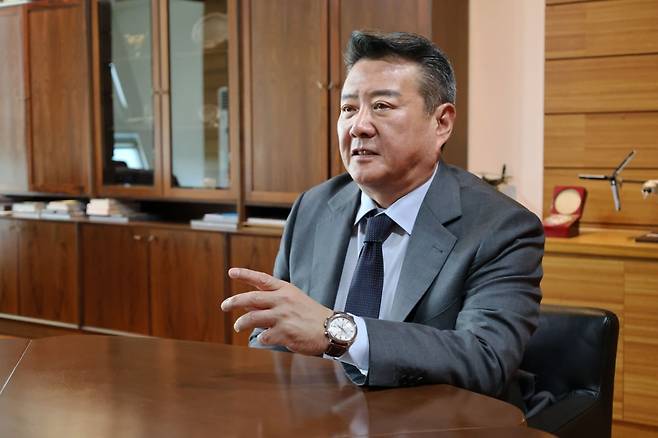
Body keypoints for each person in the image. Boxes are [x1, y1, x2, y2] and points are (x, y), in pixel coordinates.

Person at [221, 31, 543, 401]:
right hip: (318, 415)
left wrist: (338, 331)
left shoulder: (500, 226)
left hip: (436, 420)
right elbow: (273, 341)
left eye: (382, 106)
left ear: (441, 123)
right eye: (348, 109)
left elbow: (485, 359)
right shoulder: (313, 207)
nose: (359, 126)